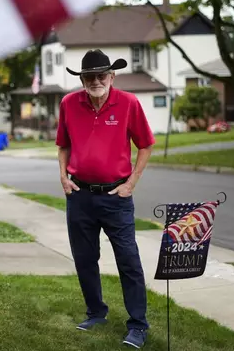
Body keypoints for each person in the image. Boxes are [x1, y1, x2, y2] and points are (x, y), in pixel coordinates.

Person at [55, 49, 155, 349]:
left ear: (112, 76)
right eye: (89, 76)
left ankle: (138, 325)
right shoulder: (69, 103)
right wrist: (63, 176)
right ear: (82, 79)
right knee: (85, 260)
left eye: (102, 75)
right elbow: (62, 144)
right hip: (80, 197)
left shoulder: (128, 103)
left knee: (129, 261)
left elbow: (146, 145)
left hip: (116, 197)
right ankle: (96, 313)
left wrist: (131, 183)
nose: (96, 81)